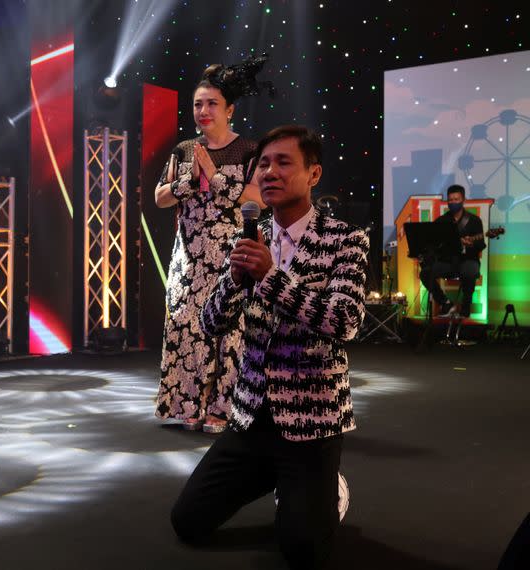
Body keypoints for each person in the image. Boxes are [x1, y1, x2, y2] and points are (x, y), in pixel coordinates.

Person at [171, 125, 369, 569]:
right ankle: (277, 478)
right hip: (251, 417)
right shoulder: (249, 236)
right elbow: (211, 323)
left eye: (283, 162)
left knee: (302, 551)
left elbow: (345, 321)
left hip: (312, 421)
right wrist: (235, 282)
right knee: (188, 522)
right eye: (263, 164)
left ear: (313, 174)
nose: (269, 172)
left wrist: (271, 278)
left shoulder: (345, 241)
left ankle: (327, 488)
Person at [154, 58, 266, 434]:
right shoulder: (185, 149)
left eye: (211, 104)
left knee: (229, 331)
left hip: (231, 255)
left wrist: (215, 176)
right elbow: (160, 197)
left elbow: (261, 198)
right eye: (198, 104)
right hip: (188, 257)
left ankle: (224, 407)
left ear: (230, 109)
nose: (203, 111)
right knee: (186, 326)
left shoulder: (249, 149)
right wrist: (189, 181)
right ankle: (189, 402)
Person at [418, 184, 485, 318]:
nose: (453, 202)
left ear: (463, 200)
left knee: (470, 270)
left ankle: (465, 309)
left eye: (456, 199)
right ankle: (446, 303)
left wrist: (470, 244)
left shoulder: (474, 221)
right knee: (425, 273)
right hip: (448, 262)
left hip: (467, 260)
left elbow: (480, 245)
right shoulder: (441, 221)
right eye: (451, 200)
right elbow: (434, 244)